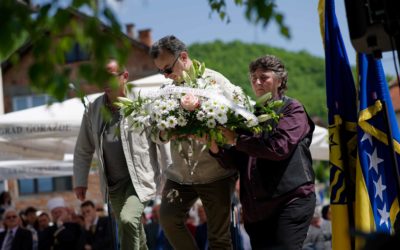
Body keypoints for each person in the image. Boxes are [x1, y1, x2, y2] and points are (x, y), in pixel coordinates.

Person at [209, 55, 316, 249]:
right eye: (253, 77)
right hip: (256, 210)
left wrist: (236, 139)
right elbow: (236, 161)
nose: (257, 82)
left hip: (290, 201)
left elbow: (279, 148)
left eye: (263, 77)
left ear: (280, 80)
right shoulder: (248, 115)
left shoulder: (292, 109)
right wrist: (214, 145)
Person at [149, 35, 238, 250]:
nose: (166, 76)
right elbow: (152, 131)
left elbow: (237, 122)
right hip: (179, 175)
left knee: (219, 238)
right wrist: (165, 134)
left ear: (184, 57)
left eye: (168, 69)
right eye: (161, 72)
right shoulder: (165, 92)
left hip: (215, 172)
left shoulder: (216, 82)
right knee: (168, 220)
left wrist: (212, 130)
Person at [73, 59, 171, 250]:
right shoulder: (93, 109)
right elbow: (83, 148)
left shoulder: (143, 103)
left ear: (124, 77)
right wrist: (80, 181)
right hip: (114, 185)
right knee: (131, 229)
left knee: (127, 220)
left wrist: (170, 176)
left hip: (140, 180)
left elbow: (163, 141)